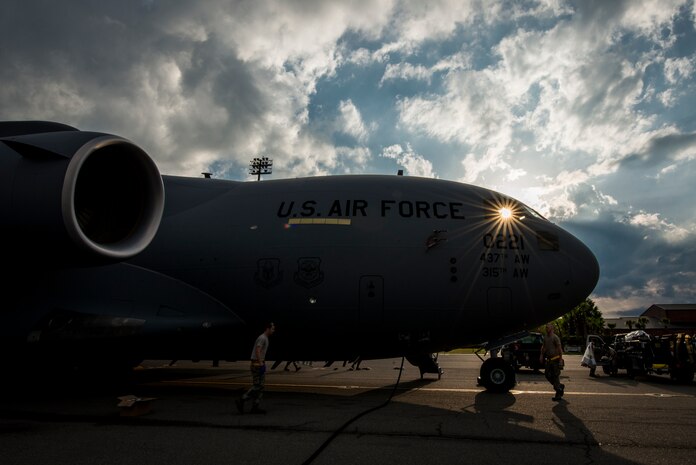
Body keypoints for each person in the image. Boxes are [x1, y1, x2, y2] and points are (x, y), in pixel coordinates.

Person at [236, 322, 275, 414]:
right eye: (272, 329)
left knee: (261, 387)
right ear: (267, 328)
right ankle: (242, 399)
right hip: (257, 365)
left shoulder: (265, 338)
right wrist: (261, 363)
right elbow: (258, 350)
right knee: (257, 386)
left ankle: (255, 406)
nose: (273, 331)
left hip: (260, 363)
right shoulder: (262, 338)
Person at [539, 323, 565, 401]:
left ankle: (558, 394)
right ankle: (559, 386)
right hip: (549, 360)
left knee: (555, 376)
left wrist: (560, 360)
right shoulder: (545, 337)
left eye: (548, 327)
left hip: (556, 360)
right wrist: (541, 355)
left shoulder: (555, 337)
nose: (547, 328)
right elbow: (543, 347)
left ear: (552, 328)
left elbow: (560, 349)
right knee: (547, 375)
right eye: (546, 327)